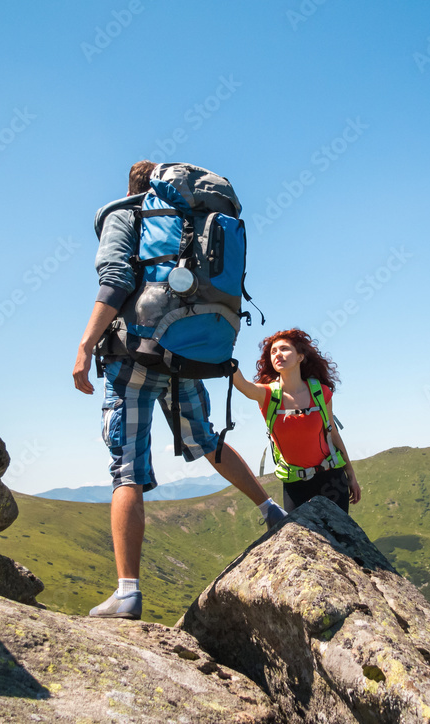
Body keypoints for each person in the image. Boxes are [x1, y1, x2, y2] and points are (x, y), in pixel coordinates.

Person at [72, 160, 287, 620]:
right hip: (187, 353)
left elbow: (115, 280)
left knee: (126, 466)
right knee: (205, 438)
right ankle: (271, 512)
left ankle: (127, 592)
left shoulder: (124, 216)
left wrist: (86, 345)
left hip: (134, 356)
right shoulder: (194, 220)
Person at [231, 328, 361, 514]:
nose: (278, 354)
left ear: (300, 356)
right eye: (273, 351)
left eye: (284, 349)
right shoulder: (267, 395)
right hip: (294, 484)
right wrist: (225, 357)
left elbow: (332, 433)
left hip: (331, 477)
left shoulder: (320, 392)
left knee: (337, 538)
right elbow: (243, 385)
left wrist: (351, 474)